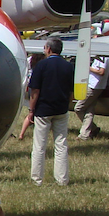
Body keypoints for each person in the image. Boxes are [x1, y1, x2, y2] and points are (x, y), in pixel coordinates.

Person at [28, 37, 75, 186]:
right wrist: (66, 104)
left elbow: (35, 90)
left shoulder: (41, 66)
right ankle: (62, 179)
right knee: (61, 144)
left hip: (43, 110)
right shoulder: (68, 67)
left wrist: (31, 110)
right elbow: (71, 91)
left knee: (39, 146)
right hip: (61, 109)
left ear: (48, 49)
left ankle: (37, 179)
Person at [74, 55, 108, 139]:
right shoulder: (103, 57)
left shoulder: (103, 57)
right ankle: (87, 133)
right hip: (95, 86)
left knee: (78, 108)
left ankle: (90, 129)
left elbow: (101, 72)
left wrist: (87, 67)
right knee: (89, 110)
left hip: (94, 86)